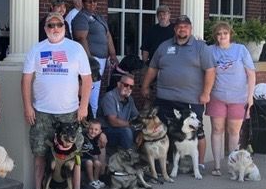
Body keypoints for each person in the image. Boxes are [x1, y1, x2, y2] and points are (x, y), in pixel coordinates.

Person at [22, 12, 93, 189]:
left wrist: (84, 105)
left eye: (58, 25)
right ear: (45, 28)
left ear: (64, 27)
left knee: (75, 153)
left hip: (69, 113)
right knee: (40, 153)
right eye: (50, 25)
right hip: (42, 112)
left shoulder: (76, 49)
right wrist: (27, 106)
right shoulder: (36, 49)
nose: (55, 28)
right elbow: (26, 79)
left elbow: (87, 79)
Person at [140, 15, 216, 169]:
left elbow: (210, 71)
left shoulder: (201, 47)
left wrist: (206, 93)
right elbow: (153, 67)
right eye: (179, 26)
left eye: (186, 26)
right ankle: (167, 163)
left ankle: (199, 164)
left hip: (191, 98)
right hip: (164, 98)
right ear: (175, 29)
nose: (182, 29)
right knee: (164, 131)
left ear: (191, 29)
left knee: (197, 131)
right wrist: (145, 86)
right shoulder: (164, 46)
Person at [206, 21, 256, 176]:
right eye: (219, 34)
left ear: (230, 35)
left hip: (238, 97)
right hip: (217, 96)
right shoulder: (210, 51)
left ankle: (232, 166)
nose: (222, 36)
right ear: (215, 36)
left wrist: (250, 97)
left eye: (225, 33)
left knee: (234, 131)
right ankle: (217, 166)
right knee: (217, 129)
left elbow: (251, 73)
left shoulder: (240, 50)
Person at [71, 0, 118, 118]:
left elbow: (107, 35)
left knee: (96, 87)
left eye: (95, 1)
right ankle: (91, 117)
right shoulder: (81, 18)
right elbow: (81, 38)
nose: (93, 4)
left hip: (102, 58)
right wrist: (89, 59)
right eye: (89, 1)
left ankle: (94, 116)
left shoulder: (98, 17)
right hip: (92, 59)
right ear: (83, 3)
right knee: (92, 88)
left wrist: (113, 54)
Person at [99, 73, 139, 150]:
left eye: (131, 87)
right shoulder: (109, 97)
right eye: (126, 85)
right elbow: (113, 121)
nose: (128, 88)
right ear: (119, 84)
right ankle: (128, 156)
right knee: (127, 131)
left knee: (144, 131)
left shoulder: (130, 99)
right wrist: (131, 124)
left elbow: (137, 117)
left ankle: (142, 155)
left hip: (122, 128)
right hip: (107, 131)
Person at [81, 119, 108, 189]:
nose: (93, 131)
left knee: (98, 163)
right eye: (91, 129)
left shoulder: (96, 140)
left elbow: (96, 153)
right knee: (89, 162)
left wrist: (95, 160)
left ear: (100, 131)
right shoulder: (83, 137)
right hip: (82, 158)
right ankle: (91, 181)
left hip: (90, 158)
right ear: (88, 129)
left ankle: (96, 180)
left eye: (96, 130)